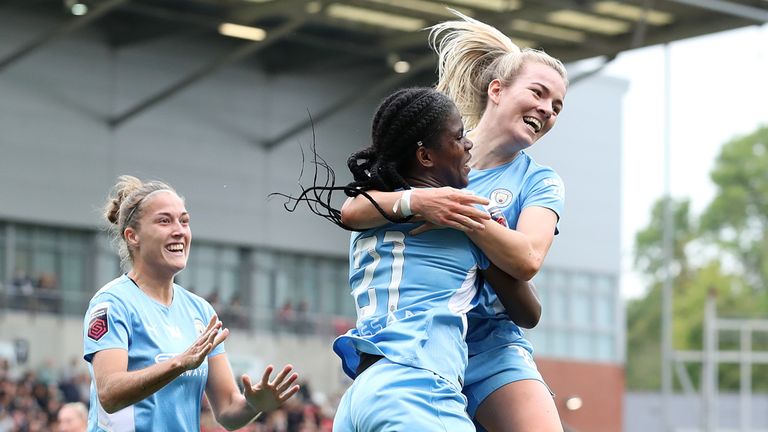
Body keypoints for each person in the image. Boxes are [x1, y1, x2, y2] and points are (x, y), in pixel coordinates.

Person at [340, 11, 568, 432]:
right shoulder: (430, 159)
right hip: (415, 347)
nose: (546, 110)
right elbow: (353, 210)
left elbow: (528, 258)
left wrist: (464, 218)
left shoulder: (538, 180)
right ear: (496, 90)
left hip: (488, 346)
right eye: (538, 93)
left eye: (556, 106)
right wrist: (420, 202)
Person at [274, 87, 541, 431]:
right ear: (426, 157)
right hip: (418, 390)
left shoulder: (370, 211)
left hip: (359, 398)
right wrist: (487, 238)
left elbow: (353, 210)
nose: (469, 144)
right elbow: (528, 312)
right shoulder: (466, 213)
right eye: (459, 137)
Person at [83, 175, 300, 431]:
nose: (179, 230)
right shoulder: (112, 303)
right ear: (133, 236)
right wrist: (179, 363)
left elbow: (228, 409)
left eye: (184, 221)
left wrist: (255, 405)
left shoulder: (200, 311)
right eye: (164, 221)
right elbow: (109, 393)